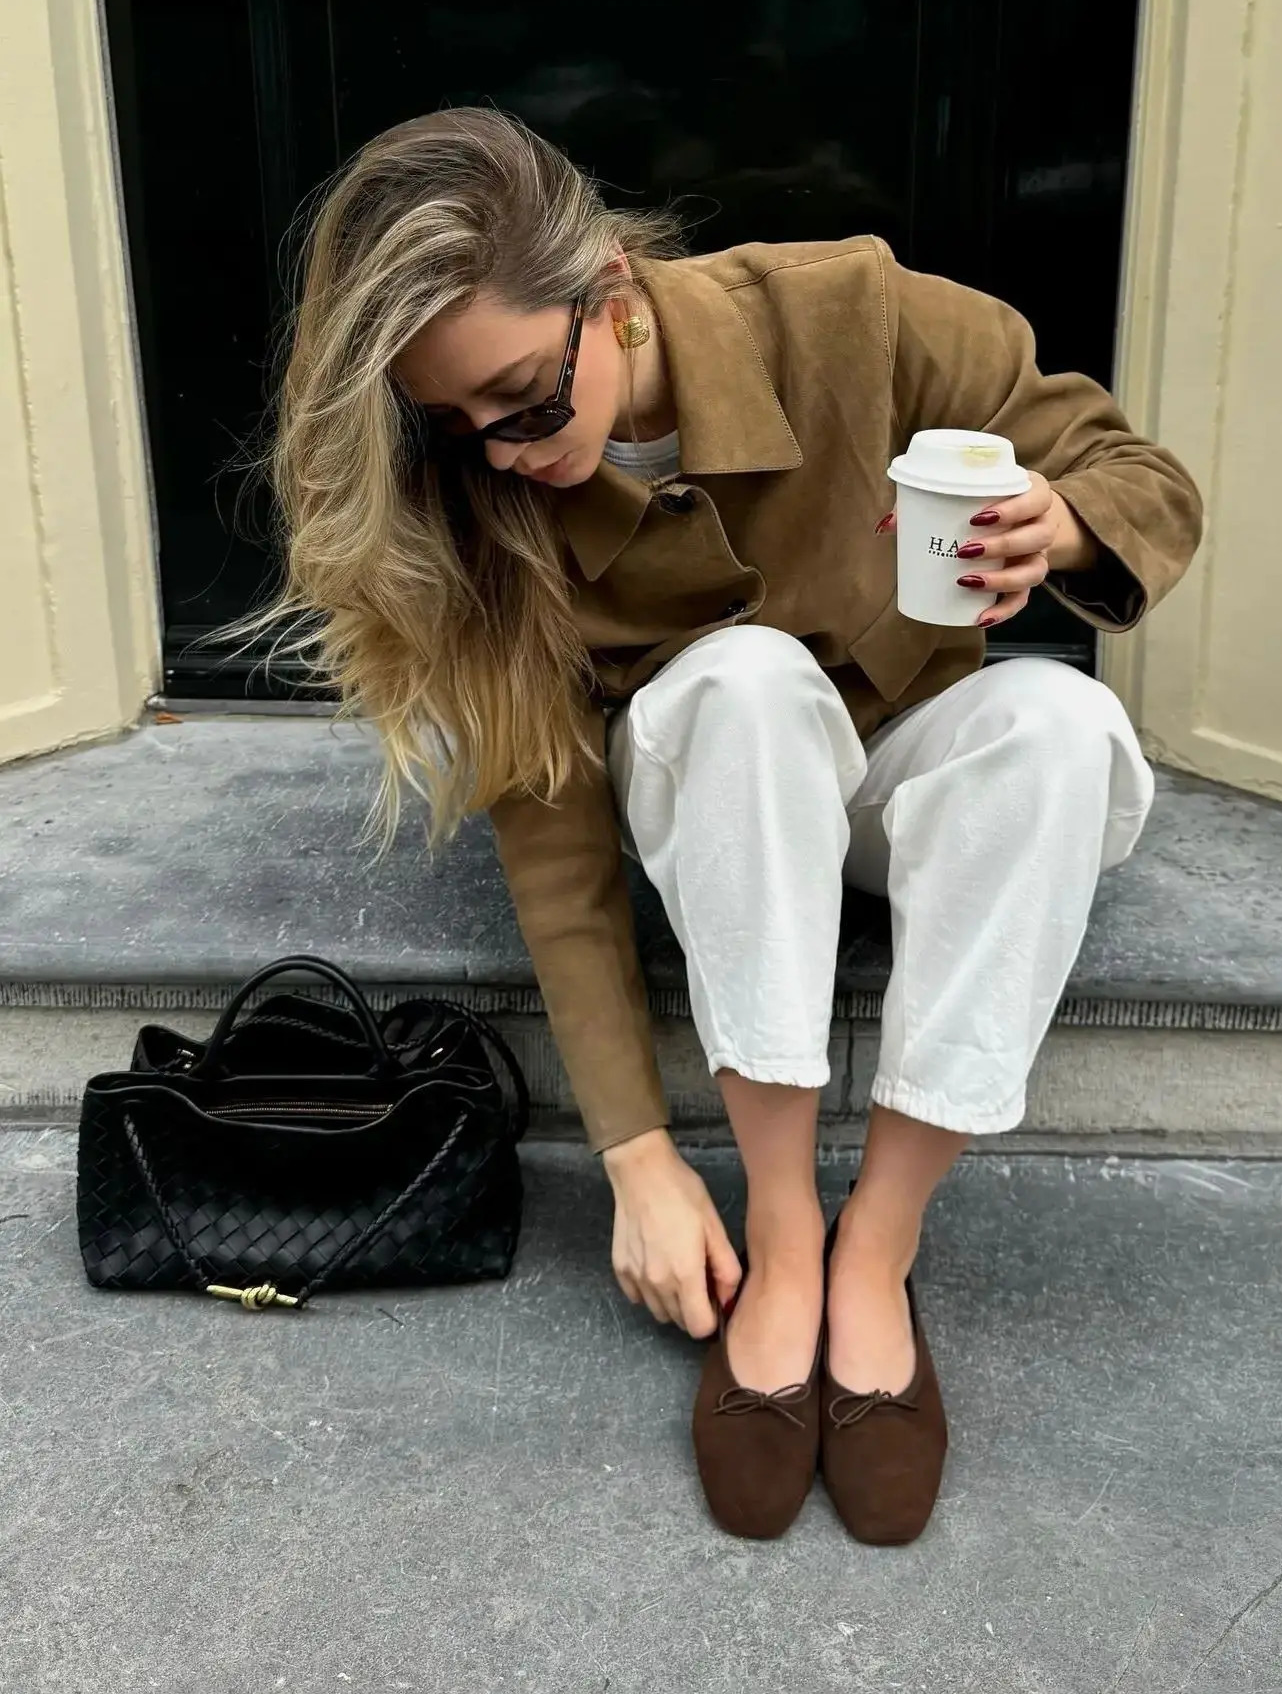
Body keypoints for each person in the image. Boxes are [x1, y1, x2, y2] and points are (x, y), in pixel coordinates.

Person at [234, 107, 1202, 1544]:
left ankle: (877, 1247)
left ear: (612, 291)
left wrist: (1055, 521)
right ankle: (786, 1230)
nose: (499, 453)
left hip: (913, 773)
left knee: (1062, 724)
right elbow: (553, 839)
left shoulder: (853, 316)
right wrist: (635, 1156)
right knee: (740, 680)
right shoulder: (481, 503)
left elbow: (1139, 475)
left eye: (522, 401)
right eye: (451, 426)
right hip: (722, 790)